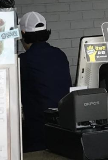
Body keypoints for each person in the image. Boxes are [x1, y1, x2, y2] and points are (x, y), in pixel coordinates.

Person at [18, 11, 72, 152]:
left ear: (23, 33)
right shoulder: (60, 54)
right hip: (63, 128)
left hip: (37, 133)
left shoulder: (23, 61)